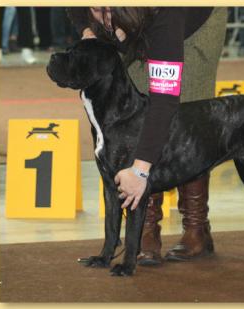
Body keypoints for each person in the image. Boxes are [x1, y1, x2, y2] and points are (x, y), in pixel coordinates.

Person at [67, 7, 227, 265]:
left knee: (188, 117)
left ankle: (197, 229)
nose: (97, 16)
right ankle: (146, 227)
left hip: (193, 19)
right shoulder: (105, 13)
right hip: (134, 20)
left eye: (103, 9)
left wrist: (140, 171)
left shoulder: (166, 15)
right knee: (135, 100)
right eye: (93, 8)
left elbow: (164, 102)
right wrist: (89, 30)